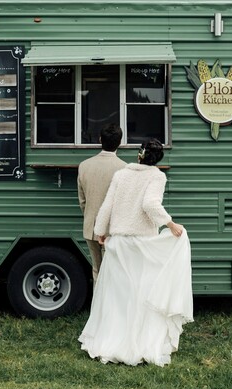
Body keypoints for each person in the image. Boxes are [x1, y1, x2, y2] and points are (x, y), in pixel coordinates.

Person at [78, 138, 193, 367]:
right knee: (141, 293)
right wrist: (170, 224)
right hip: (140, 243)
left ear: (139, 155)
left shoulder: (121, 174)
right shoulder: (156, 176)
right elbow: (150, 204)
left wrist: (100, 231)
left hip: (119, 242)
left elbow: (107, 205)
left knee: (118, 296)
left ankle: (111, 341)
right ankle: (138, 343)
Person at [77, 123, 126, 285]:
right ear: (120, 142)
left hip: (90, 226)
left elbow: (82, 201)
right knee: (112, 271)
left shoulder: (84, 165)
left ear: (100, 140)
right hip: (113, 229)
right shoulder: (124, 168)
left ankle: (97, 300)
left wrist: (90, 217)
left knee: (97, 269)